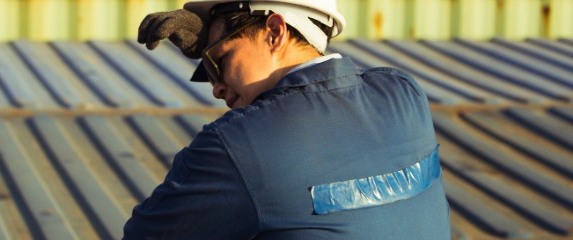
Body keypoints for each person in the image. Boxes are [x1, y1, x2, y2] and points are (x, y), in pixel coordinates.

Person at [123, 0, 451, 239]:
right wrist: (219, 44)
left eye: (217, 62)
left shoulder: (235, 145)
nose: (217, 88)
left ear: (275, 32)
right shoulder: (404, 94)